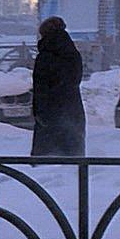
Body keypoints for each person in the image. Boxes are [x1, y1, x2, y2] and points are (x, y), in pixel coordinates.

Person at [31, 16, 86, 157]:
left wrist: (39, 112)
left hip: (49, 112)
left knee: (48, 157)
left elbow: (40, 87)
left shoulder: (46, 56)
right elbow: (74, 80)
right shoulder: (72, 53)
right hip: (72, 109)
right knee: (72, 153)